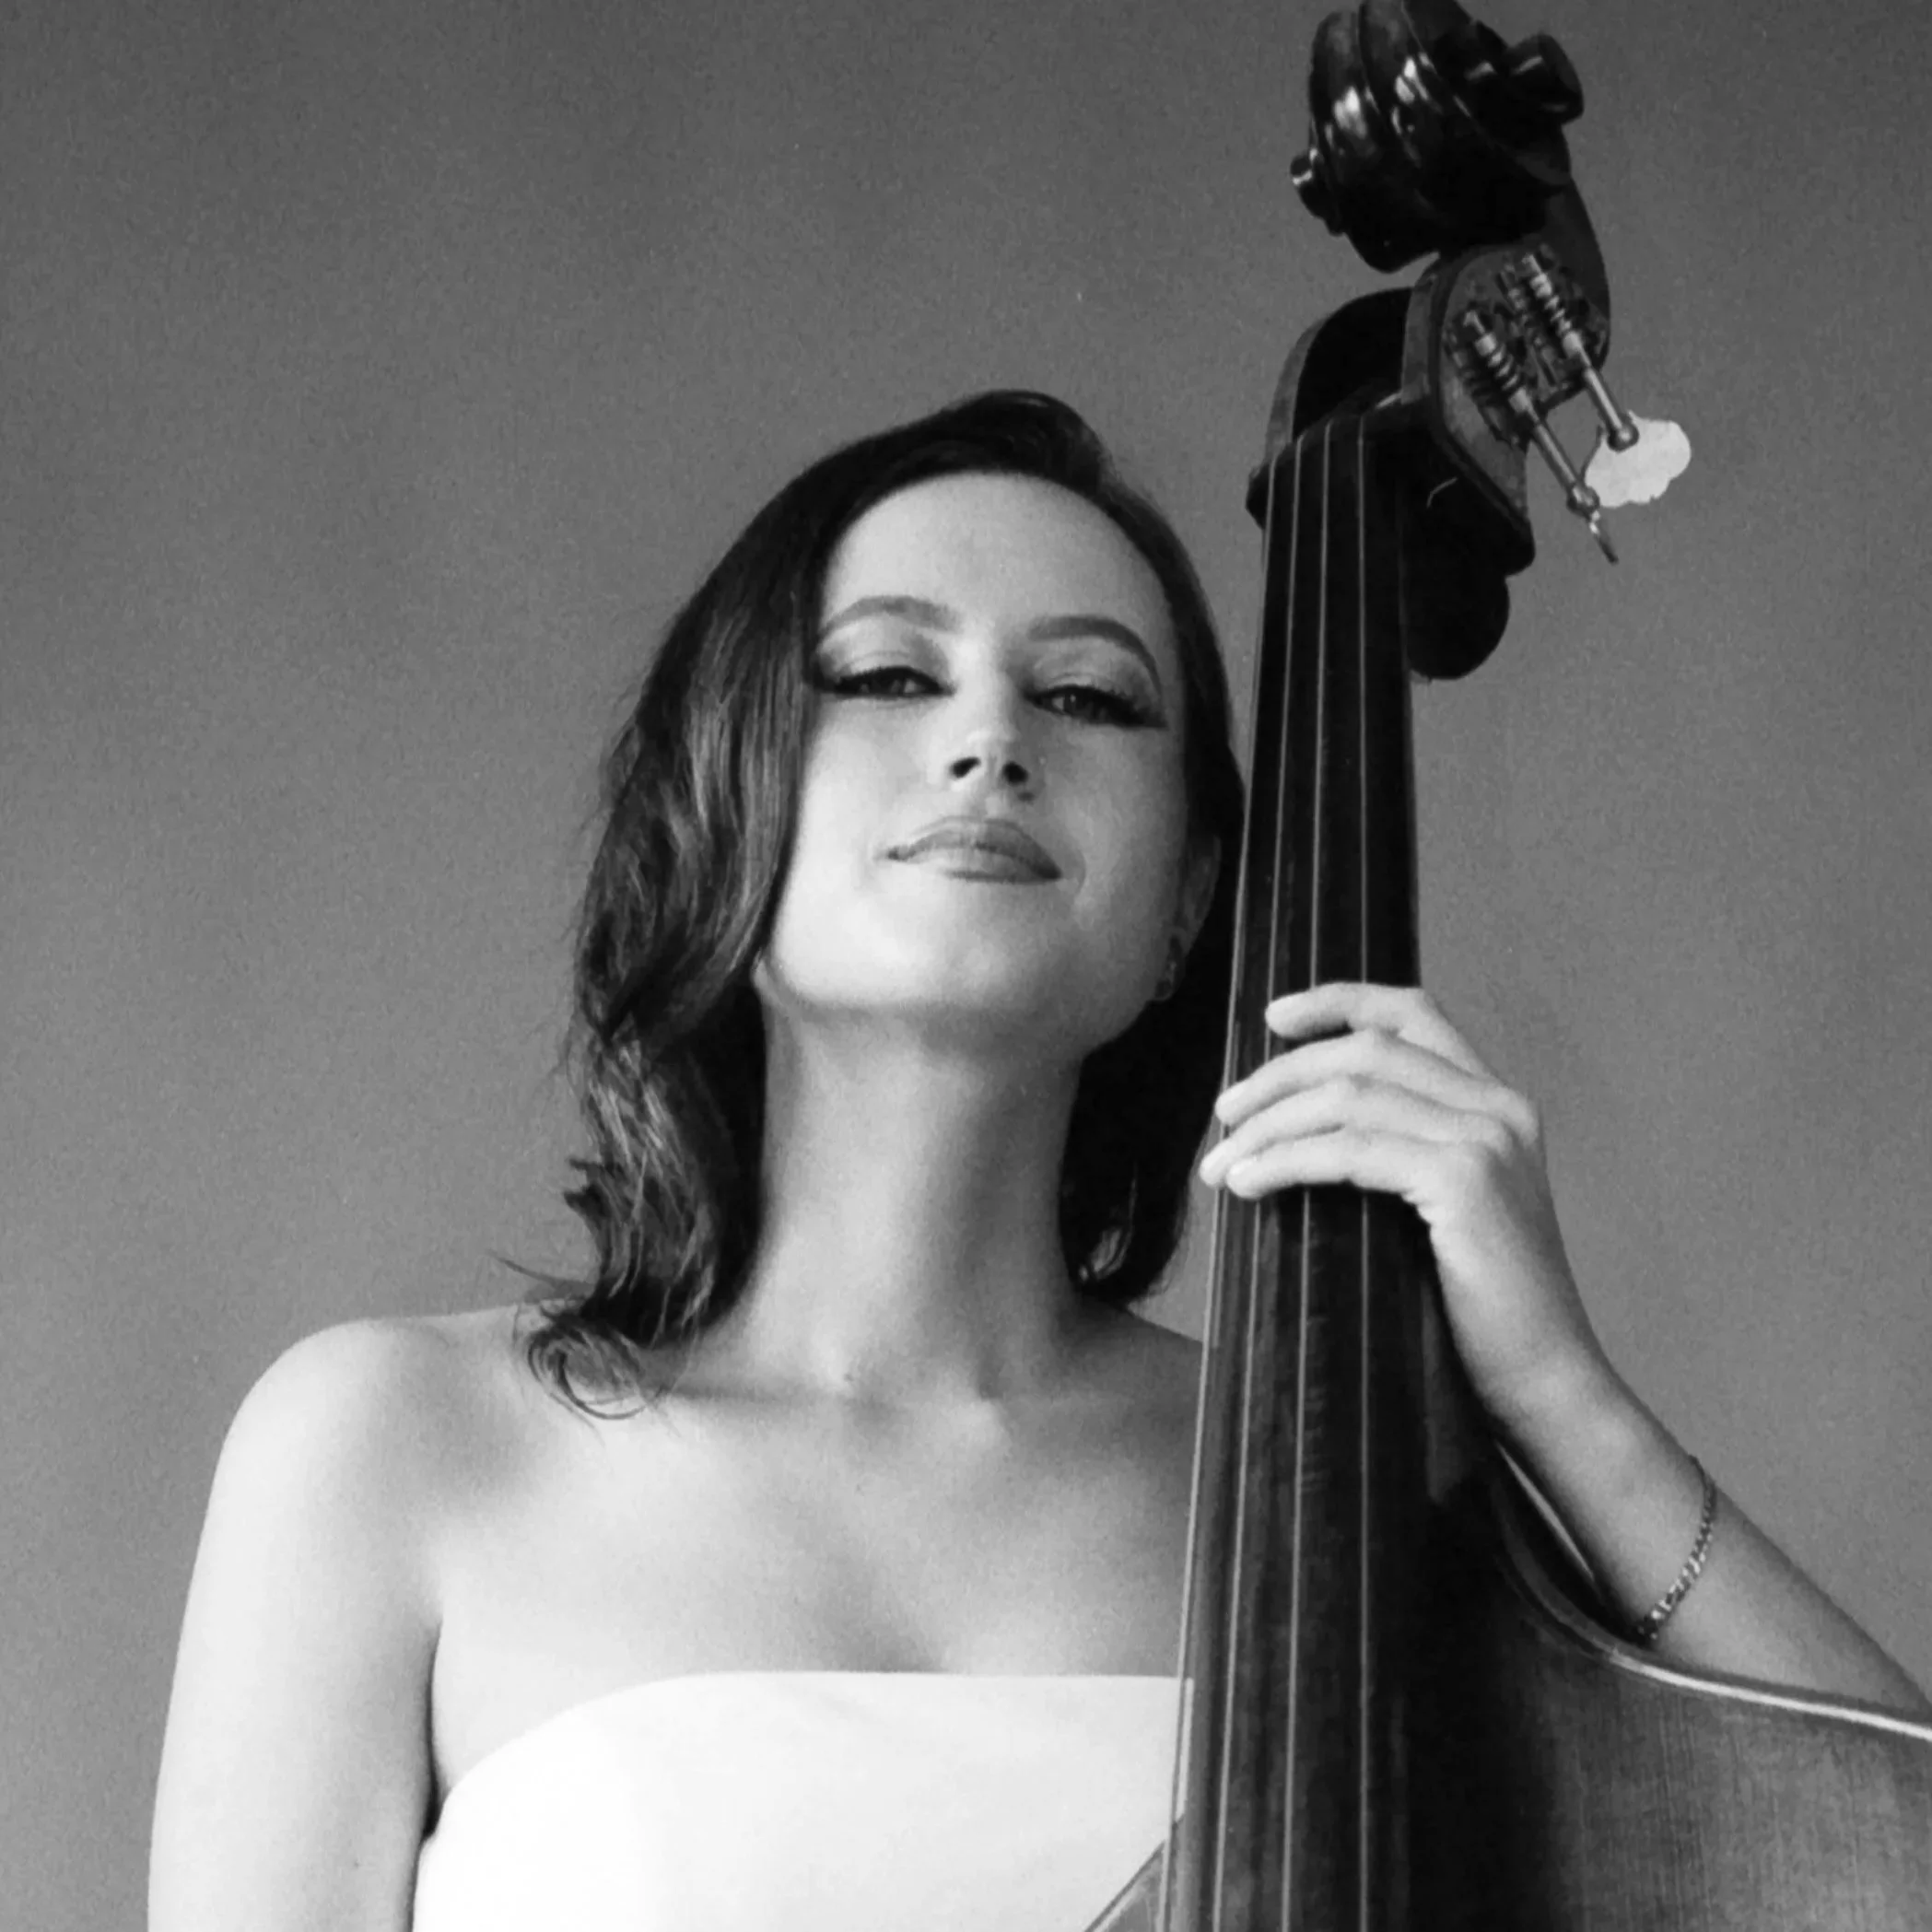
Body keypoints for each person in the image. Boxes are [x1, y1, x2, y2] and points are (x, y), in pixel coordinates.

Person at [148, 391, 1929, 1932]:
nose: (992, 741)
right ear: (728, 813)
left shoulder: (1335, 1508)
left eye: (1088, 698)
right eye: (887, 674)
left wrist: (1559, 1396)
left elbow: (1874, 1876)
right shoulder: (389, 1448)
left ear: (1193, 905)